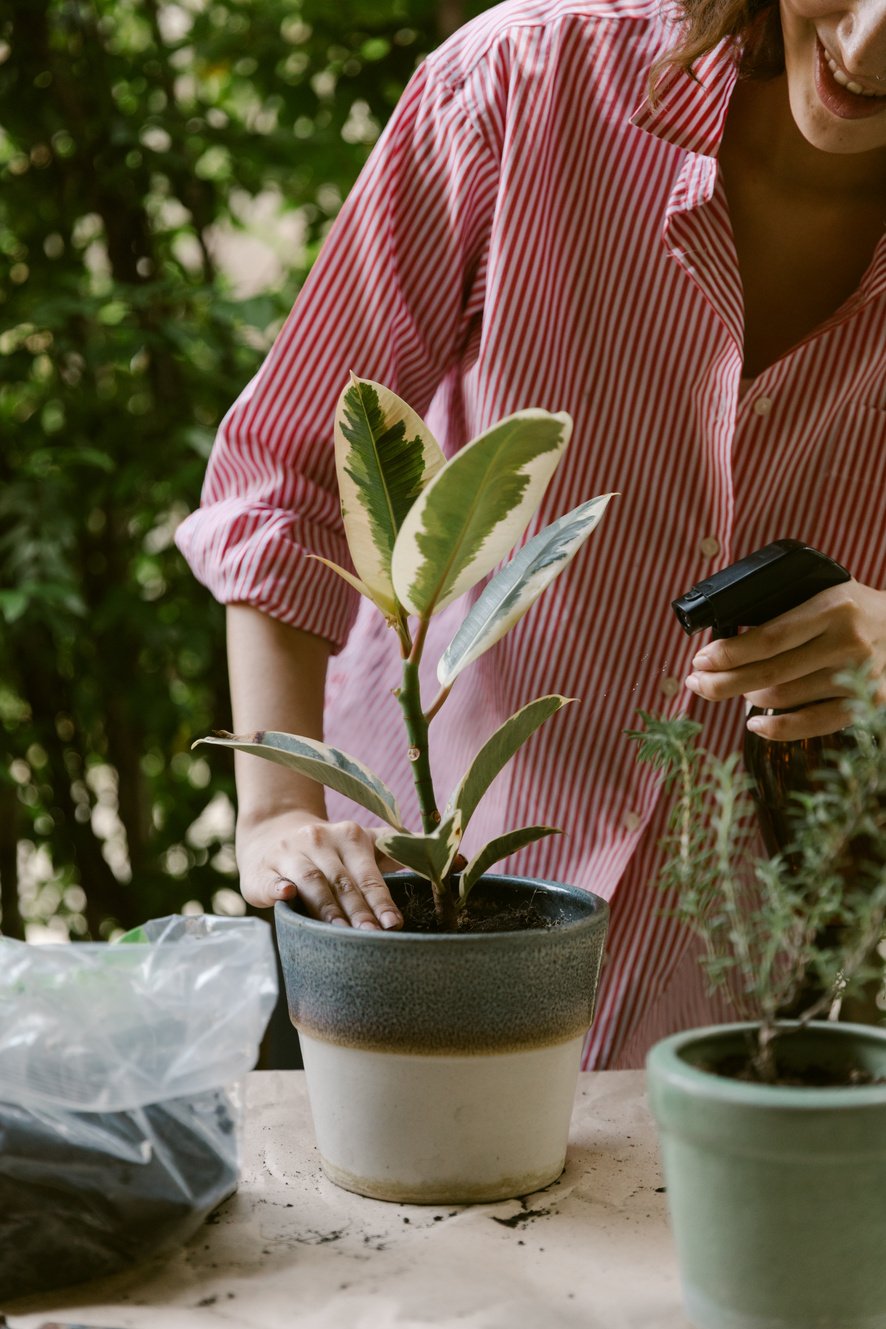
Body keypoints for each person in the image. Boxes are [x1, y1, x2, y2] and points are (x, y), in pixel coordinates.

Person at [176, 0, 886, 1069]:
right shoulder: (525, 81)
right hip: (411, 931)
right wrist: (278, 812)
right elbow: (289, 476)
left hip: (748, 1012)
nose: (867, 44)